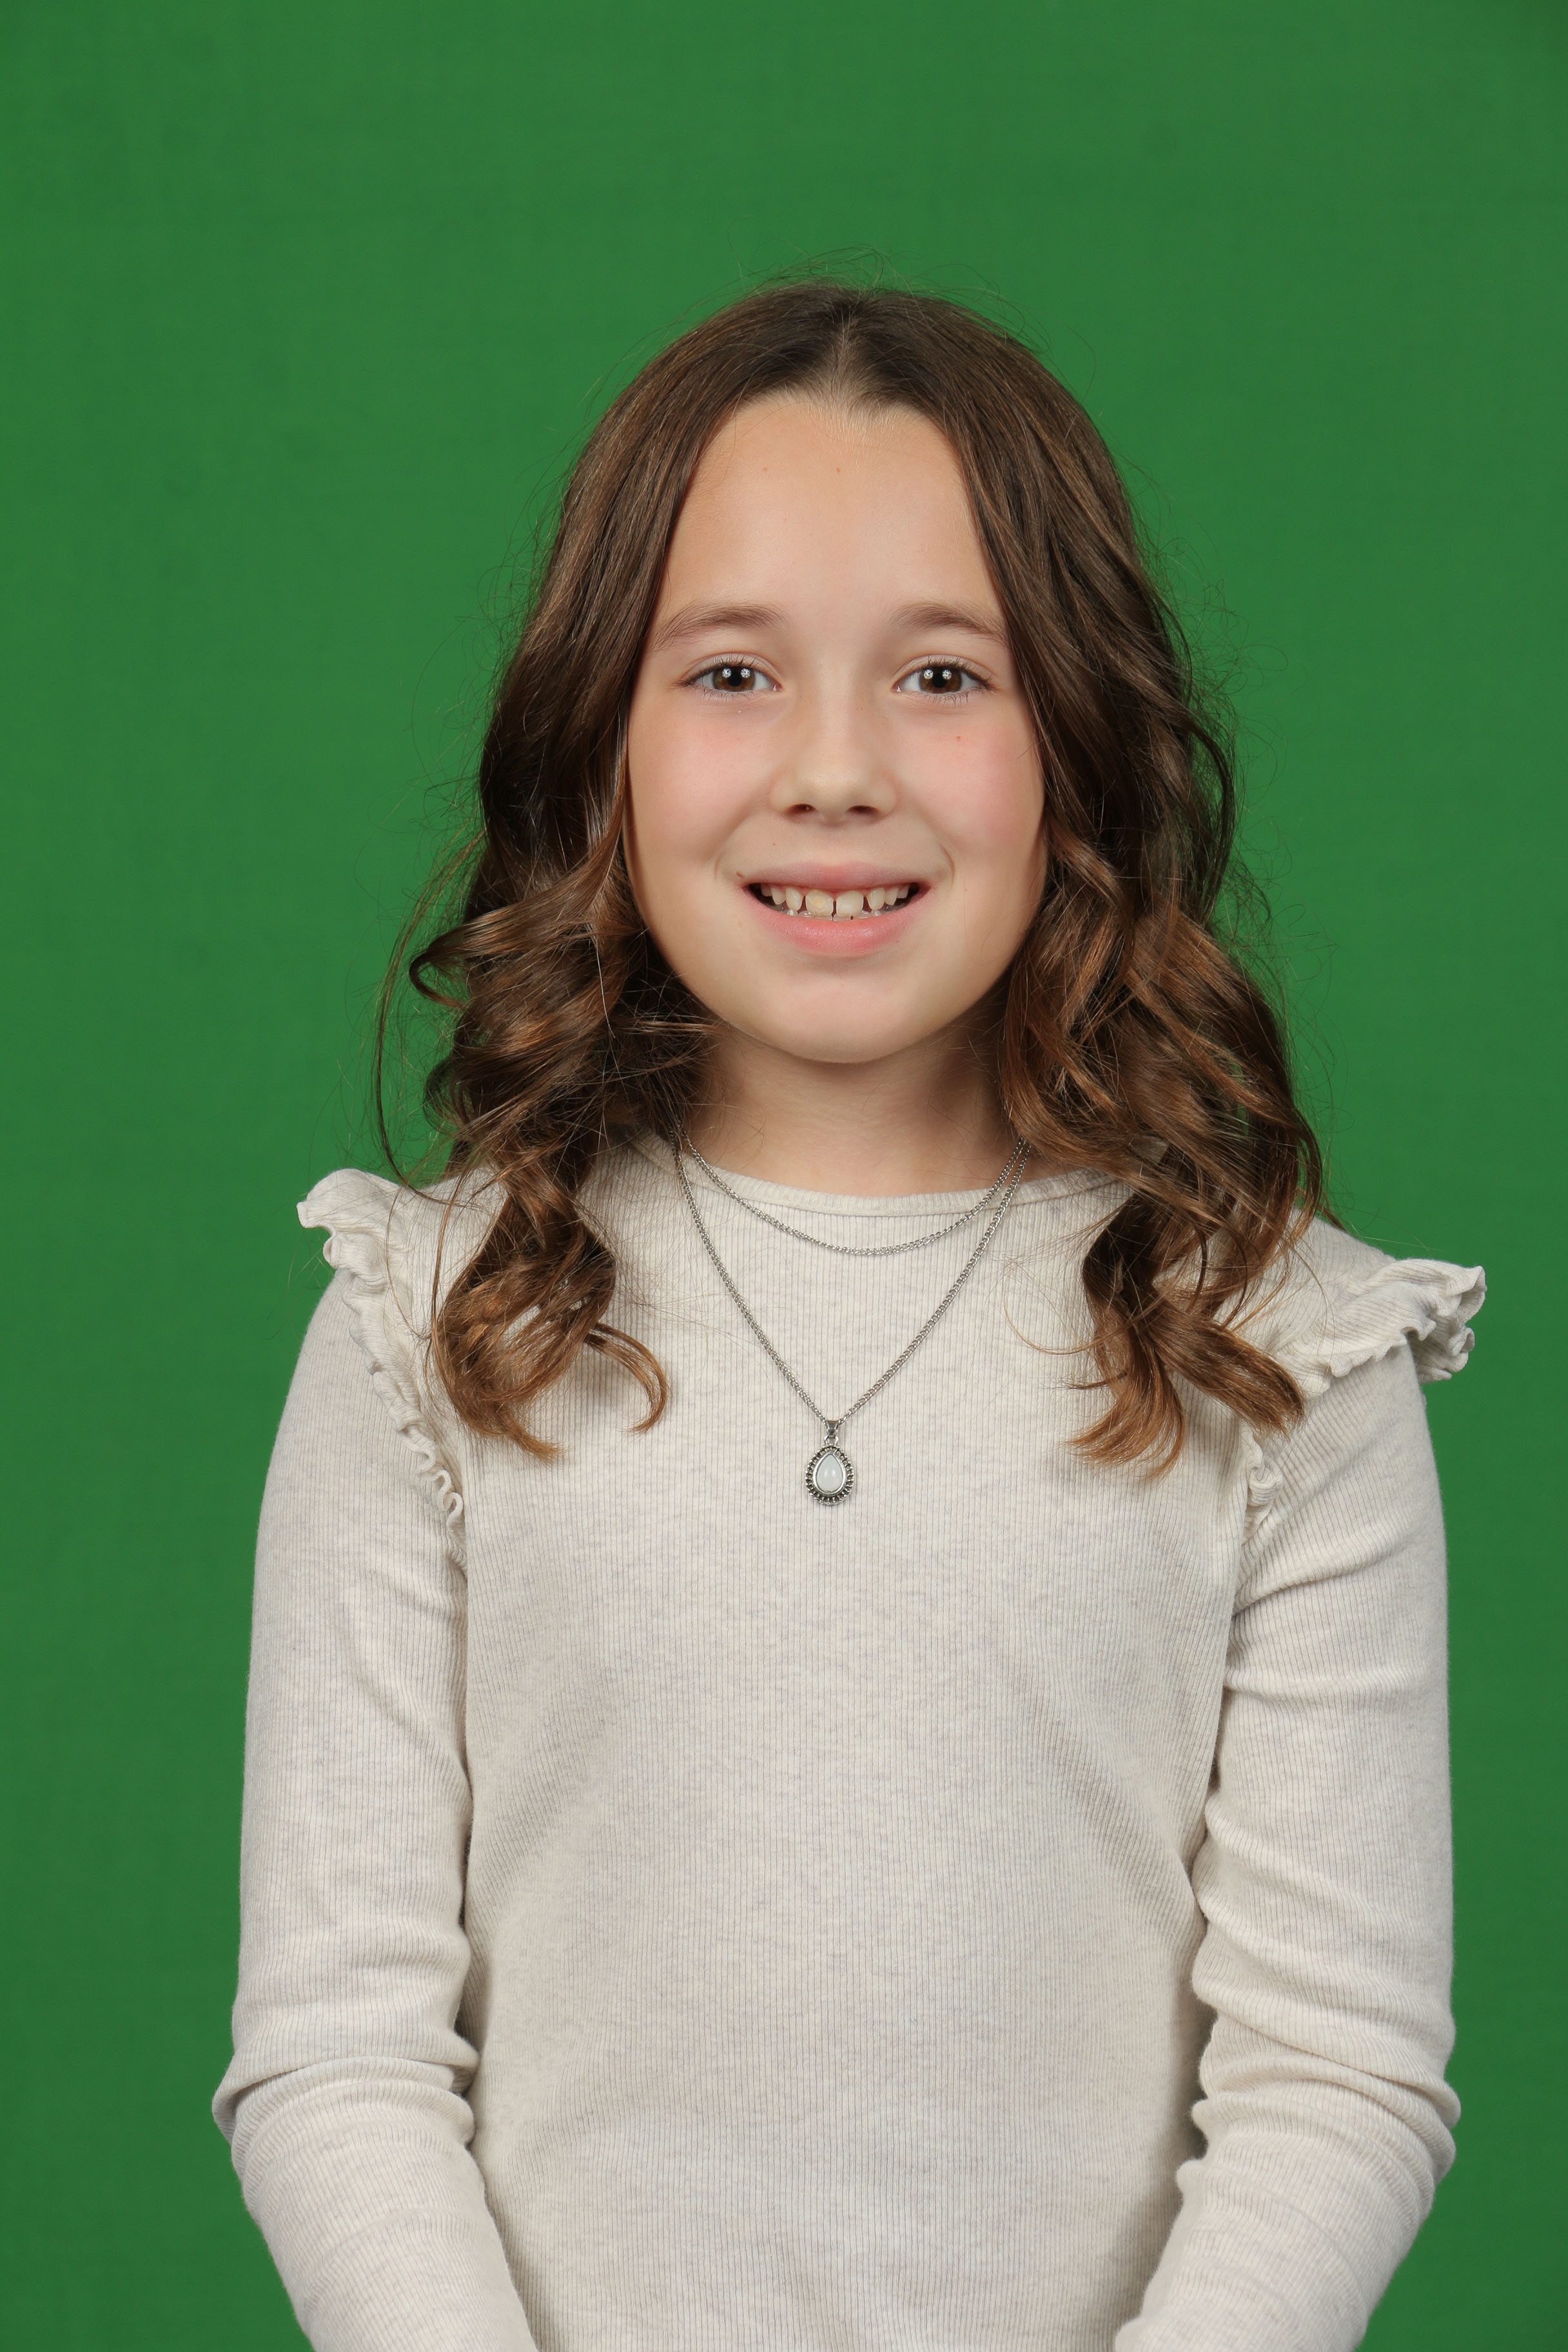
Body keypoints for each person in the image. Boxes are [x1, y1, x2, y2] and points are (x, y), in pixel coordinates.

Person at [213, 280, 1483, 2352]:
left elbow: (1334, 2077)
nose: (832, 769)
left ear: (1076, 745)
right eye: (731, 672)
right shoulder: (434, 1325)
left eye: (943, 676)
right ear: (603, 743)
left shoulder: (1281, 1346)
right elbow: (337, 2046)